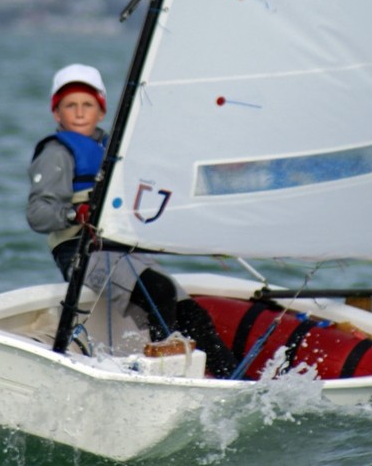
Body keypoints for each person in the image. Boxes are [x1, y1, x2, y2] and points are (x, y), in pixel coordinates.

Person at [27, 63, 238, 378]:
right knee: (159, 290)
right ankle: (165, 375)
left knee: (192, 314)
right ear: (57, 114)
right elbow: (38, 214)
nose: (80, 112)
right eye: (70, 105)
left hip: (121, 249)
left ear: (102, 111)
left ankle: (231, 379)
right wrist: (75, 214)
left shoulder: (114, 149)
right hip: (80, 250)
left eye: (88, 105)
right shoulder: (57, 153)